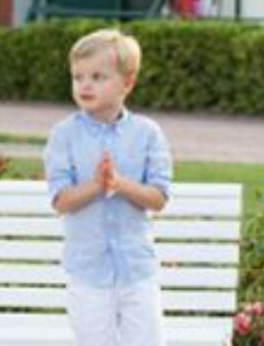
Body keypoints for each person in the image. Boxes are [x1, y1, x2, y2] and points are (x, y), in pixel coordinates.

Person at [43, 29, 172, 346]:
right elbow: (61, 200)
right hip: (88, 273)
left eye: (98, 77)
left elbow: (158, 198)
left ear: (127, 83)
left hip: (137, 271)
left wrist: (121, 184)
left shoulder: (148, 134)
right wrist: (97, 185)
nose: (85, 85)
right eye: (78, 77)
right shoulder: (64, 135)